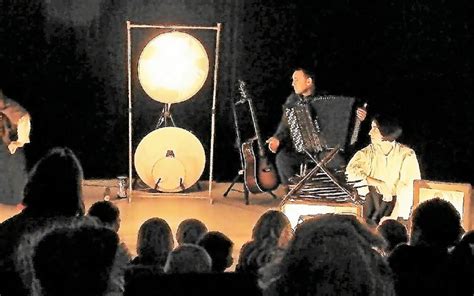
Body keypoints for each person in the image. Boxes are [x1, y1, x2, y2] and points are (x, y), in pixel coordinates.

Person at [266, 67, 367, 192]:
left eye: (296, 80)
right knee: (282, 159)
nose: (293, 83)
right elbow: (284, 125)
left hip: (325, 150)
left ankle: (336, 194)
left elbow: (347, 122)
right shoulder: (293, 100)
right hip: (301, 149)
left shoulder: (327, 99)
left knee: (338, 162)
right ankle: (293, 192)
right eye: (292, 80)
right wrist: (277, 138)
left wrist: (358, 119)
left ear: (308, 82)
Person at [345, 114, 421, 224]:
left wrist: (393, 217)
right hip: (370, 208)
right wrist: (379, 183)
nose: (370, 132)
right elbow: (350, 173)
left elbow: (408, 188)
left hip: (397, 209)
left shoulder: (406, 154)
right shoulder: (366, 153)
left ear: (385, 130)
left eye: (374, 128)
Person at [0, 88, 31, 205]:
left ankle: (20, 200)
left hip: (12, 147)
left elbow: (24, 120)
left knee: (15, 172)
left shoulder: (13, 110)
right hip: (3, 147)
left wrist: (18, 142)